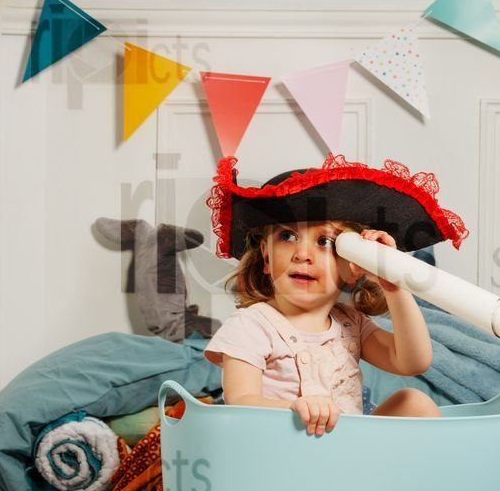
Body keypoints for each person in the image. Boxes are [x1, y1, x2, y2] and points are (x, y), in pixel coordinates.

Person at [201, 153, 469, 436]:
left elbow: (413, 361)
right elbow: (240, 401)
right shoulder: (251, 325)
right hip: (283, 457)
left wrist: (395, 288)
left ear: (354, 267)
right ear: (266, 257)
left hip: (348, 456)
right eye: (287, 236)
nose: (302, 254)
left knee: (414, 403)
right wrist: (294, 407)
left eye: (324, 241)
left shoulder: (350, 324)